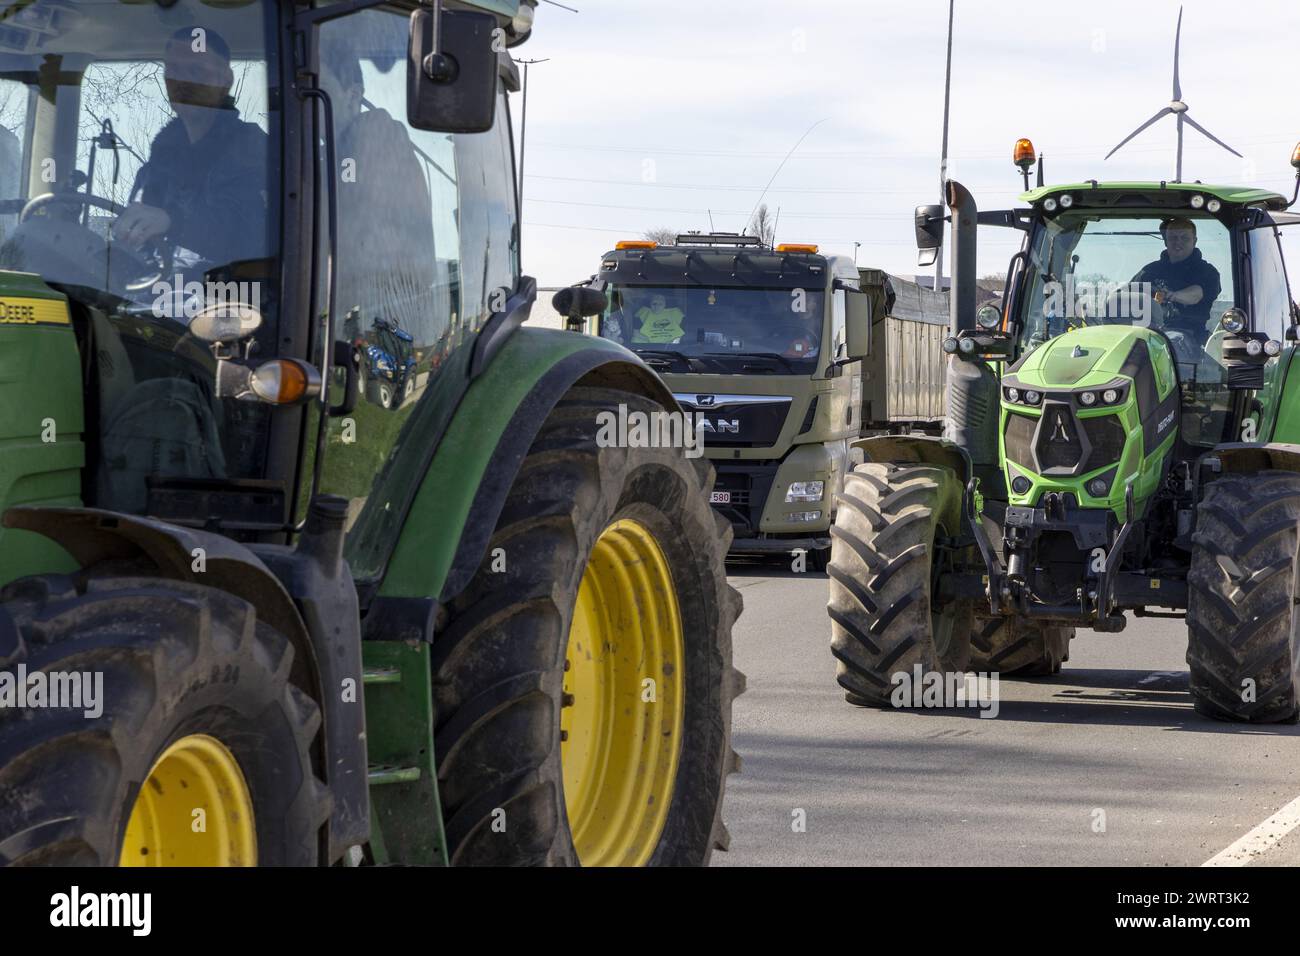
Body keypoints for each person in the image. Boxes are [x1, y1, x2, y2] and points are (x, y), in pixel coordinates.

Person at [114, 27, 268, 268]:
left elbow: (248, 232)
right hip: (154, 297)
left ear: (225, 80)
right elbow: (141, 248)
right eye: (173, 70)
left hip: (232, 297)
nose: (182, 81)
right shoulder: (155, 169)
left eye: (195, 70)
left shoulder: (251, 149)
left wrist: (173, 222)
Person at [1130, 217, 1222, 339]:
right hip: (1147, 334)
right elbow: (1128, 295)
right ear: (1166, 241)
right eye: (1173, 238)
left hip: (1188, 339)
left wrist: (1172, 295)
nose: (1178, 242)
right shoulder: (1149, 271)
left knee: (1175, 339)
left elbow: (1196, 294)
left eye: (1184, 238)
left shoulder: (1207, 271)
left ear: (1194, 241)